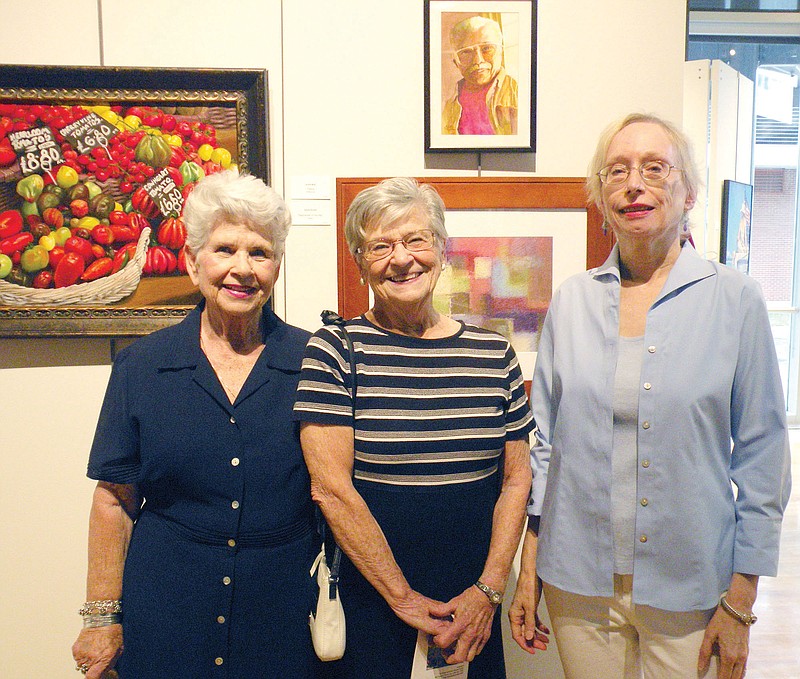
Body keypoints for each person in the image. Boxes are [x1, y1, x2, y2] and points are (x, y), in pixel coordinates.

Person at [509, 113, 792, 679]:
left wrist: (741, 600)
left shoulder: (735, 301)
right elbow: (542, 445)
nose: (633, 184)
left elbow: (763, 456)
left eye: (654, 169)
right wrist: (528, 564)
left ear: (688, 190)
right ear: (601, 195)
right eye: (617, 171)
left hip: (693, 586)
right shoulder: (571, 302)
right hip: (578, 584)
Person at [71, 170, 319, 678]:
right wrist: (101, 617)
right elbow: (114, 499)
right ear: (191, 261)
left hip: (285, 614)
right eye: (225, 249)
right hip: (166, 613)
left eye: (260, 252)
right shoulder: (142, 366)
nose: (242, 268)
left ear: (277, 266)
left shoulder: (315, 361)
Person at [293, 177, 534, 677]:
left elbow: (516, 479)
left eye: (416, 240)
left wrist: (489, 591)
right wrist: (401, 597)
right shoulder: (336, 350)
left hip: (474, 604)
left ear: (441, 250)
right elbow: (331, 489)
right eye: (380, 246)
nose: (401, 259)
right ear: (360, 264)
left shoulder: (494, 354)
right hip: (371, 597)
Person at [442, 16, 518, 135]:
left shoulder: (518, 92)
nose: (477, 60)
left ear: (500, 52)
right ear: (456, 62)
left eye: (487, 48)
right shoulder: (449, 106)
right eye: (466, 52)